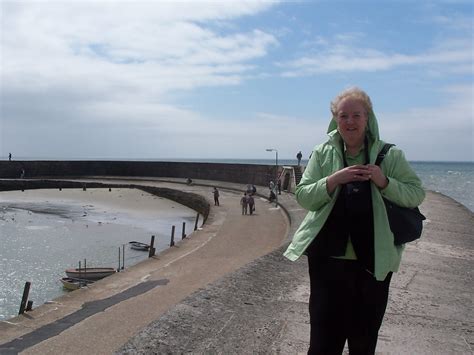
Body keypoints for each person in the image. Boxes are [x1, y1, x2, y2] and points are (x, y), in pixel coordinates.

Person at [283, 87, 425, 355]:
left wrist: (384, 182)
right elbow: (303, 196)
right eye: (343, 115)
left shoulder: (390, 155)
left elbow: (416, 193)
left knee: (363, 342)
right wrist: (334, 179)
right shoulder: (323, 153)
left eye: (356, 115)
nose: (350, 121)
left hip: (373, 262)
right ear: (335, 120)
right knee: (323, 343)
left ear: (367, 117)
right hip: (327, 262)